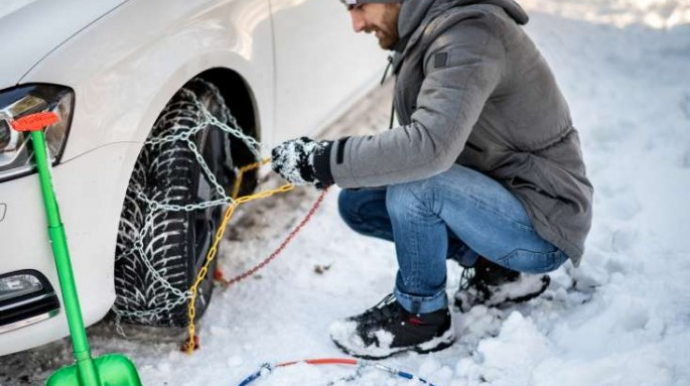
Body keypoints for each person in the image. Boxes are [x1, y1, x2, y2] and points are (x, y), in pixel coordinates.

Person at [270, 0, 593, 359]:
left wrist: (325, 159)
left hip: (543, 221)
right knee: (359, 203)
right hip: (504, 196)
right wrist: (339, 165)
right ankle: (500, 270)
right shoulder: (435, 30)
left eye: (358, 5)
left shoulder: (470, 36)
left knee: (418, 186)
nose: (356, 24)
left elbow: (430, 148)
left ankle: (422, 317)